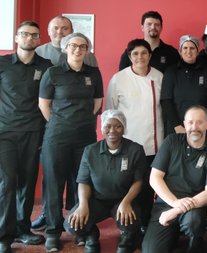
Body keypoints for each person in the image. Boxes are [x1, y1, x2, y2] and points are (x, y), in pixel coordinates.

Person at [32, 15, 100, 232]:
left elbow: (97, 103)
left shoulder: (93, 73)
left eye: (82, 46)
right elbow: (44, 106)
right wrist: (60, 122)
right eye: (73, 46)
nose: (78, 50)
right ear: (65, 48)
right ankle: (53, 229)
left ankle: (76, 225)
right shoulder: (52, 72)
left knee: (80, 182)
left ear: (87, 49)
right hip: (57, 135)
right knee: (53, 183)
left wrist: (82, 121)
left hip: (85, 135)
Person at [0, 21, 52, 253]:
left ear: (39, 39)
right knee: (7, 183)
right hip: (5, 133)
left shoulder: (46, 66)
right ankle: (4, 236)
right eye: (25, 34)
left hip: (34, 132)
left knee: (27, 183)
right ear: (16, 38)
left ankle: (23, 229)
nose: (29, 38)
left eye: (34, 35)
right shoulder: (2, 64)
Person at [63, 110, 146, 253]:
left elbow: (138, 181)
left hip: (123, 200)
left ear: (124, 128)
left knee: (132, 221)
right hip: (97, 200)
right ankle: (91, 236)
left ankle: (127, 237)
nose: (112, 130)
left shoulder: (135, 150)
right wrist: (83, 205)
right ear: (102, 128)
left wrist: (126, 202)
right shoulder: (90, 151)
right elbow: (83, 181)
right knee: (72, 224)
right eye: (108, 126)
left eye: (118, 126)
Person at [141, 106, 207, 253]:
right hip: (165, 205)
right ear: (184, 124)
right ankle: (172, 238)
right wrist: (174, 203)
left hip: (194, 209)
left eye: (199, 122)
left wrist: (177, 209)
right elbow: (155, 177)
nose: (194, 127)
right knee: (150, 250)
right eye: (190, 122)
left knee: (193, 222)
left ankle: (195, 241)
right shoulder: (171, 141)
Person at [106, 38, 164, 232]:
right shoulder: (119, 79)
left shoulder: (159, 77)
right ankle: (127, 226)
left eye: (144, 53)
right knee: (127, 186)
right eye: (135, 54)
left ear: (150, 56)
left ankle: (146, 224)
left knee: (148, 187)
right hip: (128, 143)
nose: (140, 57)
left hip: (153, 143)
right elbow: (110, 112)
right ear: (129, 57)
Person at [160, 35, 207, 135]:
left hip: (200, 128)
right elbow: (166, 101)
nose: (188, 51)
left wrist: (202, 123)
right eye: (185, 48)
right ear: (180, 51)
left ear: (197, 50)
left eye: (192, 48)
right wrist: (177, 126)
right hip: (176, 129)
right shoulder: (171, 71)